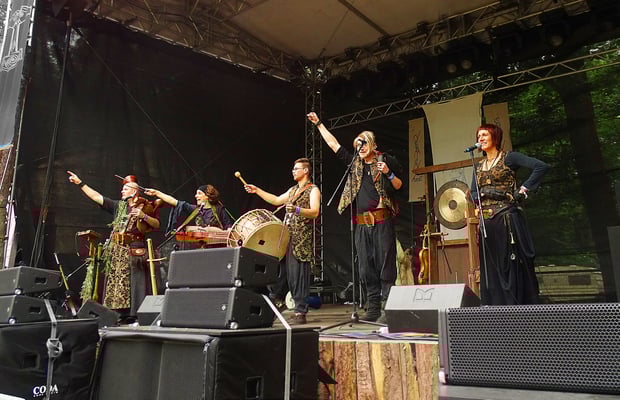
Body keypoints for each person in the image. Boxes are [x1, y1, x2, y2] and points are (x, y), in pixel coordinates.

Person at [307, 112, 402, 322]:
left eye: (364, 143)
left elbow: (399, 185)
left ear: (373, 144)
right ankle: (373, 307)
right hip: (361, 223)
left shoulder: (385, 160)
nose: (361, 147)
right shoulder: (355, 164)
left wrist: (388, 172)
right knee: (366, 267)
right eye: (358, 144)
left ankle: (389, 309)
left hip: (382, 220)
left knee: (385, 265)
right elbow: (334, 145)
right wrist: (319, 124)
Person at [469, 123, 550, 306]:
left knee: (510, 263)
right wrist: (482, 194)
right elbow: (473, 192)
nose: (480, 138)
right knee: (492, 266)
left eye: (484, 135)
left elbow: (540, 166)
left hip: (506, 217)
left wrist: (523, 190)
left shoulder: (509, 157)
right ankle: (496, 306)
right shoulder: (479, 165)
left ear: (495, 137)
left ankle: (516, 305)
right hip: (487, 221)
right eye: (479, 135)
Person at [67, 171, 161, 322]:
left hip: (134, 248)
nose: (122, 191)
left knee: (135, 283)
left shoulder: (146, 206)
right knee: (116, 285)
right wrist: (80, 183)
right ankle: (117, 315)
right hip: (117, 250)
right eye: (122, 189)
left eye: (125, 189)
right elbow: (97, 197)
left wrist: (143, 216)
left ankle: (136, 315)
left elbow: (156, 224)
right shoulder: (119, 206)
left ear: (134, 191)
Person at [244, 158, 321, 325]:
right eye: (293, 169)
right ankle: (279, 304)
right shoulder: (293, 190)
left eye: (296, 169)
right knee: (286, 274)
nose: (293, 171)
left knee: (299, 275)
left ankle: (300, 311)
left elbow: (315, 212)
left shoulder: (313, 190)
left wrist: (297, 209)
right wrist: (257, 190)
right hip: (287, 236)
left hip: (301, 239)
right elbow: (276, 200)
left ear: (306, 171)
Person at [144, 184, 234, 250]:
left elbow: (228, 227)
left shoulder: (219, 209)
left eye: (199, 193)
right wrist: (156, 193)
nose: (196, 196)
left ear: (207, 195)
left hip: (219, 248)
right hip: (202, 249)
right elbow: (175, 202)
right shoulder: (195, 210)